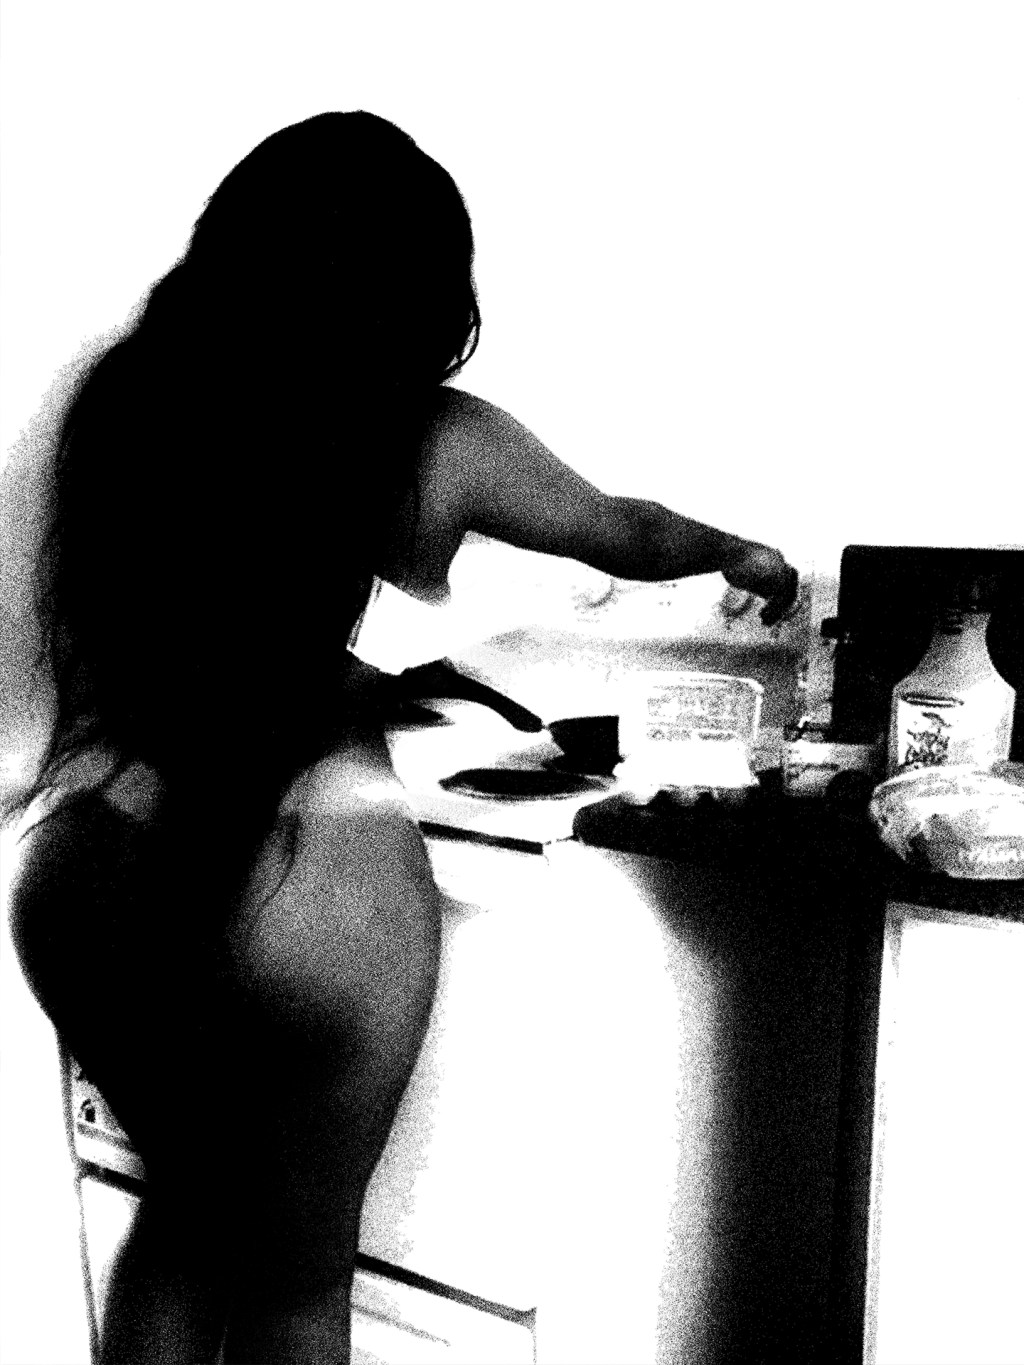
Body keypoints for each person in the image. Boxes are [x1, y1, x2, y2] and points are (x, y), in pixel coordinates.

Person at [6, 111, 797, 1364]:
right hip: (310, 871)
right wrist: (740, 554)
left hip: (89, 860)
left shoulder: (126, 404)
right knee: (295, 1280)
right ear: (419, 291)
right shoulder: (428, 436)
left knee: (185, 1227)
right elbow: (623, 529)